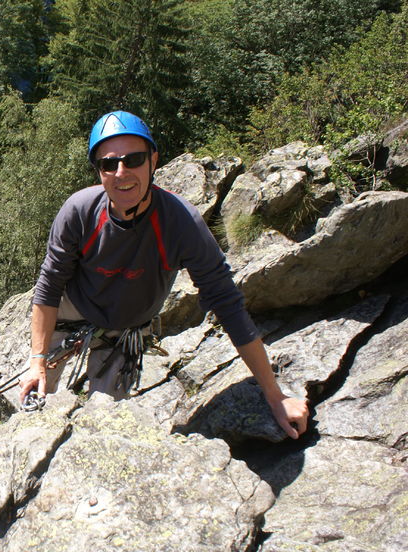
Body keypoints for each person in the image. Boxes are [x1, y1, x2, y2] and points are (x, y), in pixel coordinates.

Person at [18, 110, 309, 439]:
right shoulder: (79, 211)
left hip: (125, 327)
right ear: (98, 171)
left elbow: (227, 304)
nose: (121, 172)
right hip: (73, 310)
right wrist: (37, 359)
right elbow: (49, 287)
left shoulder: (180, 222)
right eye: (108, 164)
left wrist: (275, 395)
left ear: (153, 160)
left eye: (134, 159)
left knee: (105, 426)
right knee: (35, 398)